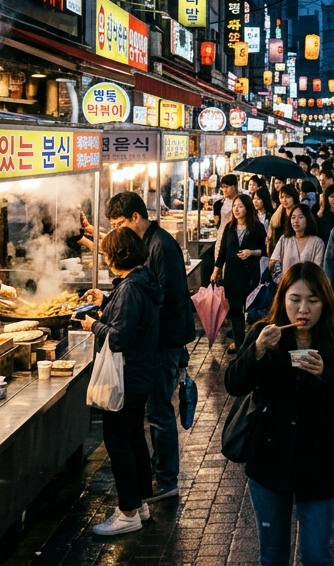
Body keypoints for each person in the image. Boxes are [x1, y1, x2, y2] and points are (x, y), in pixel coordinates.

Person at [224, 262, 334, 566]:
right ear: (282, 298)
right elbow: (233, 383)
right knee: (272, 555)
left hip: (319, 465)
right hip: (269, 463)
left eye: (313, 300)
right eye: (295, 299)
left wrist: (324, 375)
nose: (303, 309)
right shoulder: (264, 334)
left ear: (324, 302)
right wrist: (256, 351)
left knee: (316, 555)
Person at [104, 192, 195, 501]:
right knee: (153, 411)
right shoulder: (149, 245)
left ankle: (167, 482)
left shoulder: (161, 246)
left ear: (135, 218)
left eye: (119, 224)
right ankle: (158, 475)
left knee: (159, 411)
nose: (117, 231)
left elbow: (168, 297)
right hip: (155, 342)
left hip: (163, 342)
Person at [82, 227, 163, 535]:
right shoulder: (140, 280)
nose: (105, 260)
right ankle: (140, 503)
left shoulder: (131, 288)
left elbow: (119, 337)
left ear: (118, 256)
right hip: (140, 374)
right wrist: (106, 300)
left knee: (118, 441)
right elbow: (129, 318)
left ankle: (127, 511)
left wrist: (93, 325)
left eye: (106, 255)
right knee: (132, 438)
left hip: (127, 376)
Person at [212, 194, 268, 352]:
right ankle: (240, 347)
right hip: (231, 276)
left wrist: (252, 252)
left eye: (240, 206)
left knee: (251, 311)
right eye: (234, 205)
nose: (236, 209)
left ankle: (253, 345)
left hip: (250, 275)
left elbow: (265, 250)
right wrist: (215, 272)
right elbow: (222, 252)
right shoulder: (229, 228)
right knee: (235, 312)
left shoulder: (257, 227)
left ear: (248, 208)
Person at [271, 204, 326, 278]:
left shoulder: (318, 243)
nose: (296, 221)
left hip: (308, 286)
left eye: (300, 217)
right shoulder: (284, 240)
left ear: (308, 219)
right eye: (293, 217)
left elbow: (317, 269)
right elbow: (274, 262)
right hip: (286, 284)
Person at [272, 185, 301, 253]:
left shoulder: (300, 212)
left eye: (288, 197)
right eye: (282, 197)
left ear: (294, 197)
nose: (284, 200)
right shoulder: (279, 213)